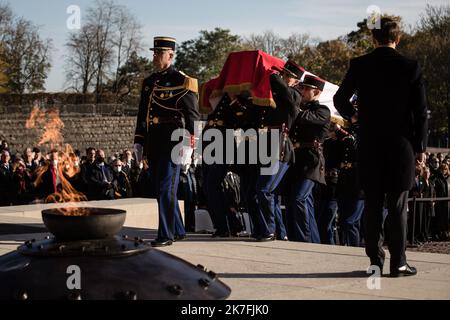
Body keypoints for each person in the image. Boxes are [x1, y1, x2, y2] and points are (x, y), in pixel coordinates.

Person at [333, 16, 428, 277]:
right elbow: (421, 112)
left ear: (373, 39)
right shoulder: (411, 66)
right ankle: (398, 262)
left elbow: (340, 98)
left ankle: (375, 262)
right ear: (397, 39)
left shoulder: (360, 65)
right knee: (398, 206)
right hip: (401, 145)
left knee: (373, 205)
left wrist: (353, 117)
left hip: (370, 144)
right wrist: (421, 146)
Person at [133, 36, 200, 247]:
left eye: (159, 53)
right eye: (154, 52)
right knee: (161, 187)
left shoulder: (182, 81)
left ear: (170, 55)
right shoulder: (148, 82)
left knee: (165, 188)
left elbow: (192, 116)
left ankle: (166, 234)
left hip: (173, 141)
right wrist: (139, 141)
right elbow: (143, 114)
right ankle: (178, 229)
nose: (155, 56)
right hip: (154, 140)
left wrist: (190, 145)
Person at [287, 74, 331, 243]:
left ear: (317, 92)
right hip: (296, 160)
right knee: (301, 202)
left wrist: (291, 93)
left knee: (299, 198)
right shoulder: (300, 108)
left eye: (306, 89)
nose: (303, 91)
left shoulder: (322, 111)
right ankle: (314, 241)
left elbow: (301, 117)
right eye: (302, 87)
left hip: (311, 162)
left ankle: (304, 240)